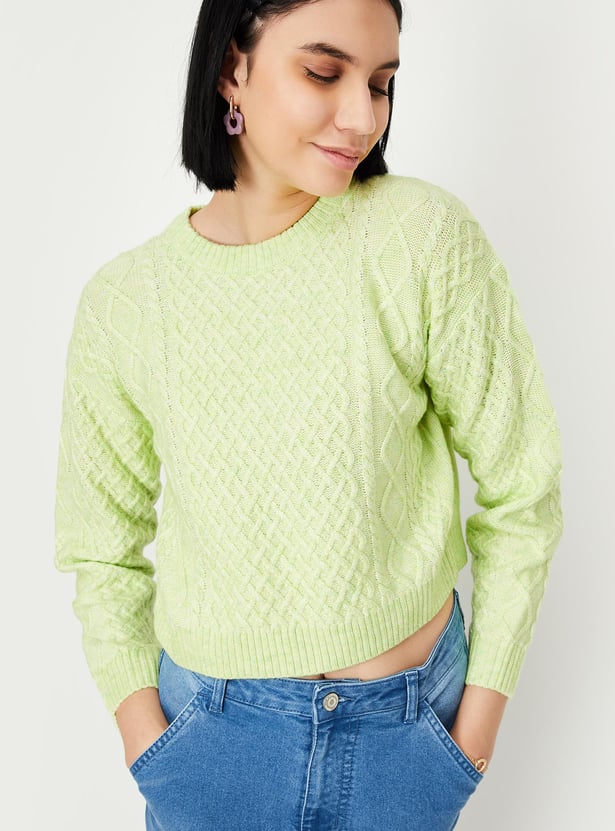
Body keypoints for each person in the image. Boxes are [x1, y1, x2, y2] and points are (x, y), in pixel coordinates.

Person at [54, 0, 563, 828]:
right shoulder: (127, 301)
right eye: (323, 73)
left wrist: (473, 734)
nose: (362, 116)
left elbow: (523, 489)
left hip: (408, 733)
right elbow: (99, 549)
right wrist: (149, 743)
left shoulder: (420, 238)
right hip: (211, 743)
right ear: (232, 68)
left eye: (381, 83)